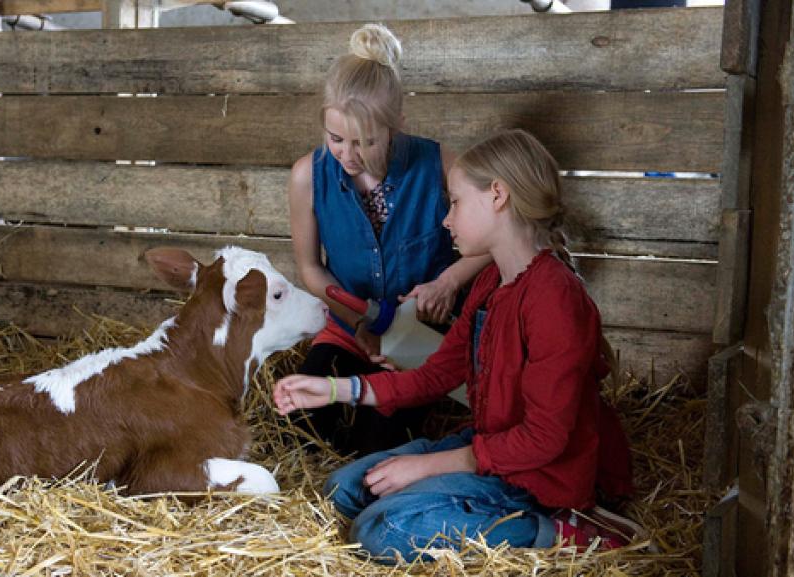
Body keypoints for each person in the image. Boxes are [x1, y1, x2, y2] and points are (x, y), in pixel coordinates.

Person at [274, 129, 643, 562]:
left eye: (456, 202)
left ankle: (560, 530)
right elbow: (437, 376)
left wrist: (428, 466)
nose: (447, 220)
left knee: (384, 529)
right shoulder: (491, 281)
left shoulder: (553, 297)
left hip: (540, 480)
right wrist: (338, 389)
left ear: (498, 196)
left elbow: (544, 439)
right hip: (492, 449)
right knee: (341, 491)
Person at [288, 22, 490, 456]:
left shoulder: (438, 165)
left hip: (419, 337)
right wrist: (359, 321)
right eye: (336, 138)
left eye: (365, 142)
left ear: (398, 123)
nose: (347, 155)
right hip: (349, 327)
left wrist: (448, 282)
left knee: (375, 443)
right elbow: (310, 268)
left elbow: (496, 237)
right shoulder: (308, 174)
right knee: (300, 429)